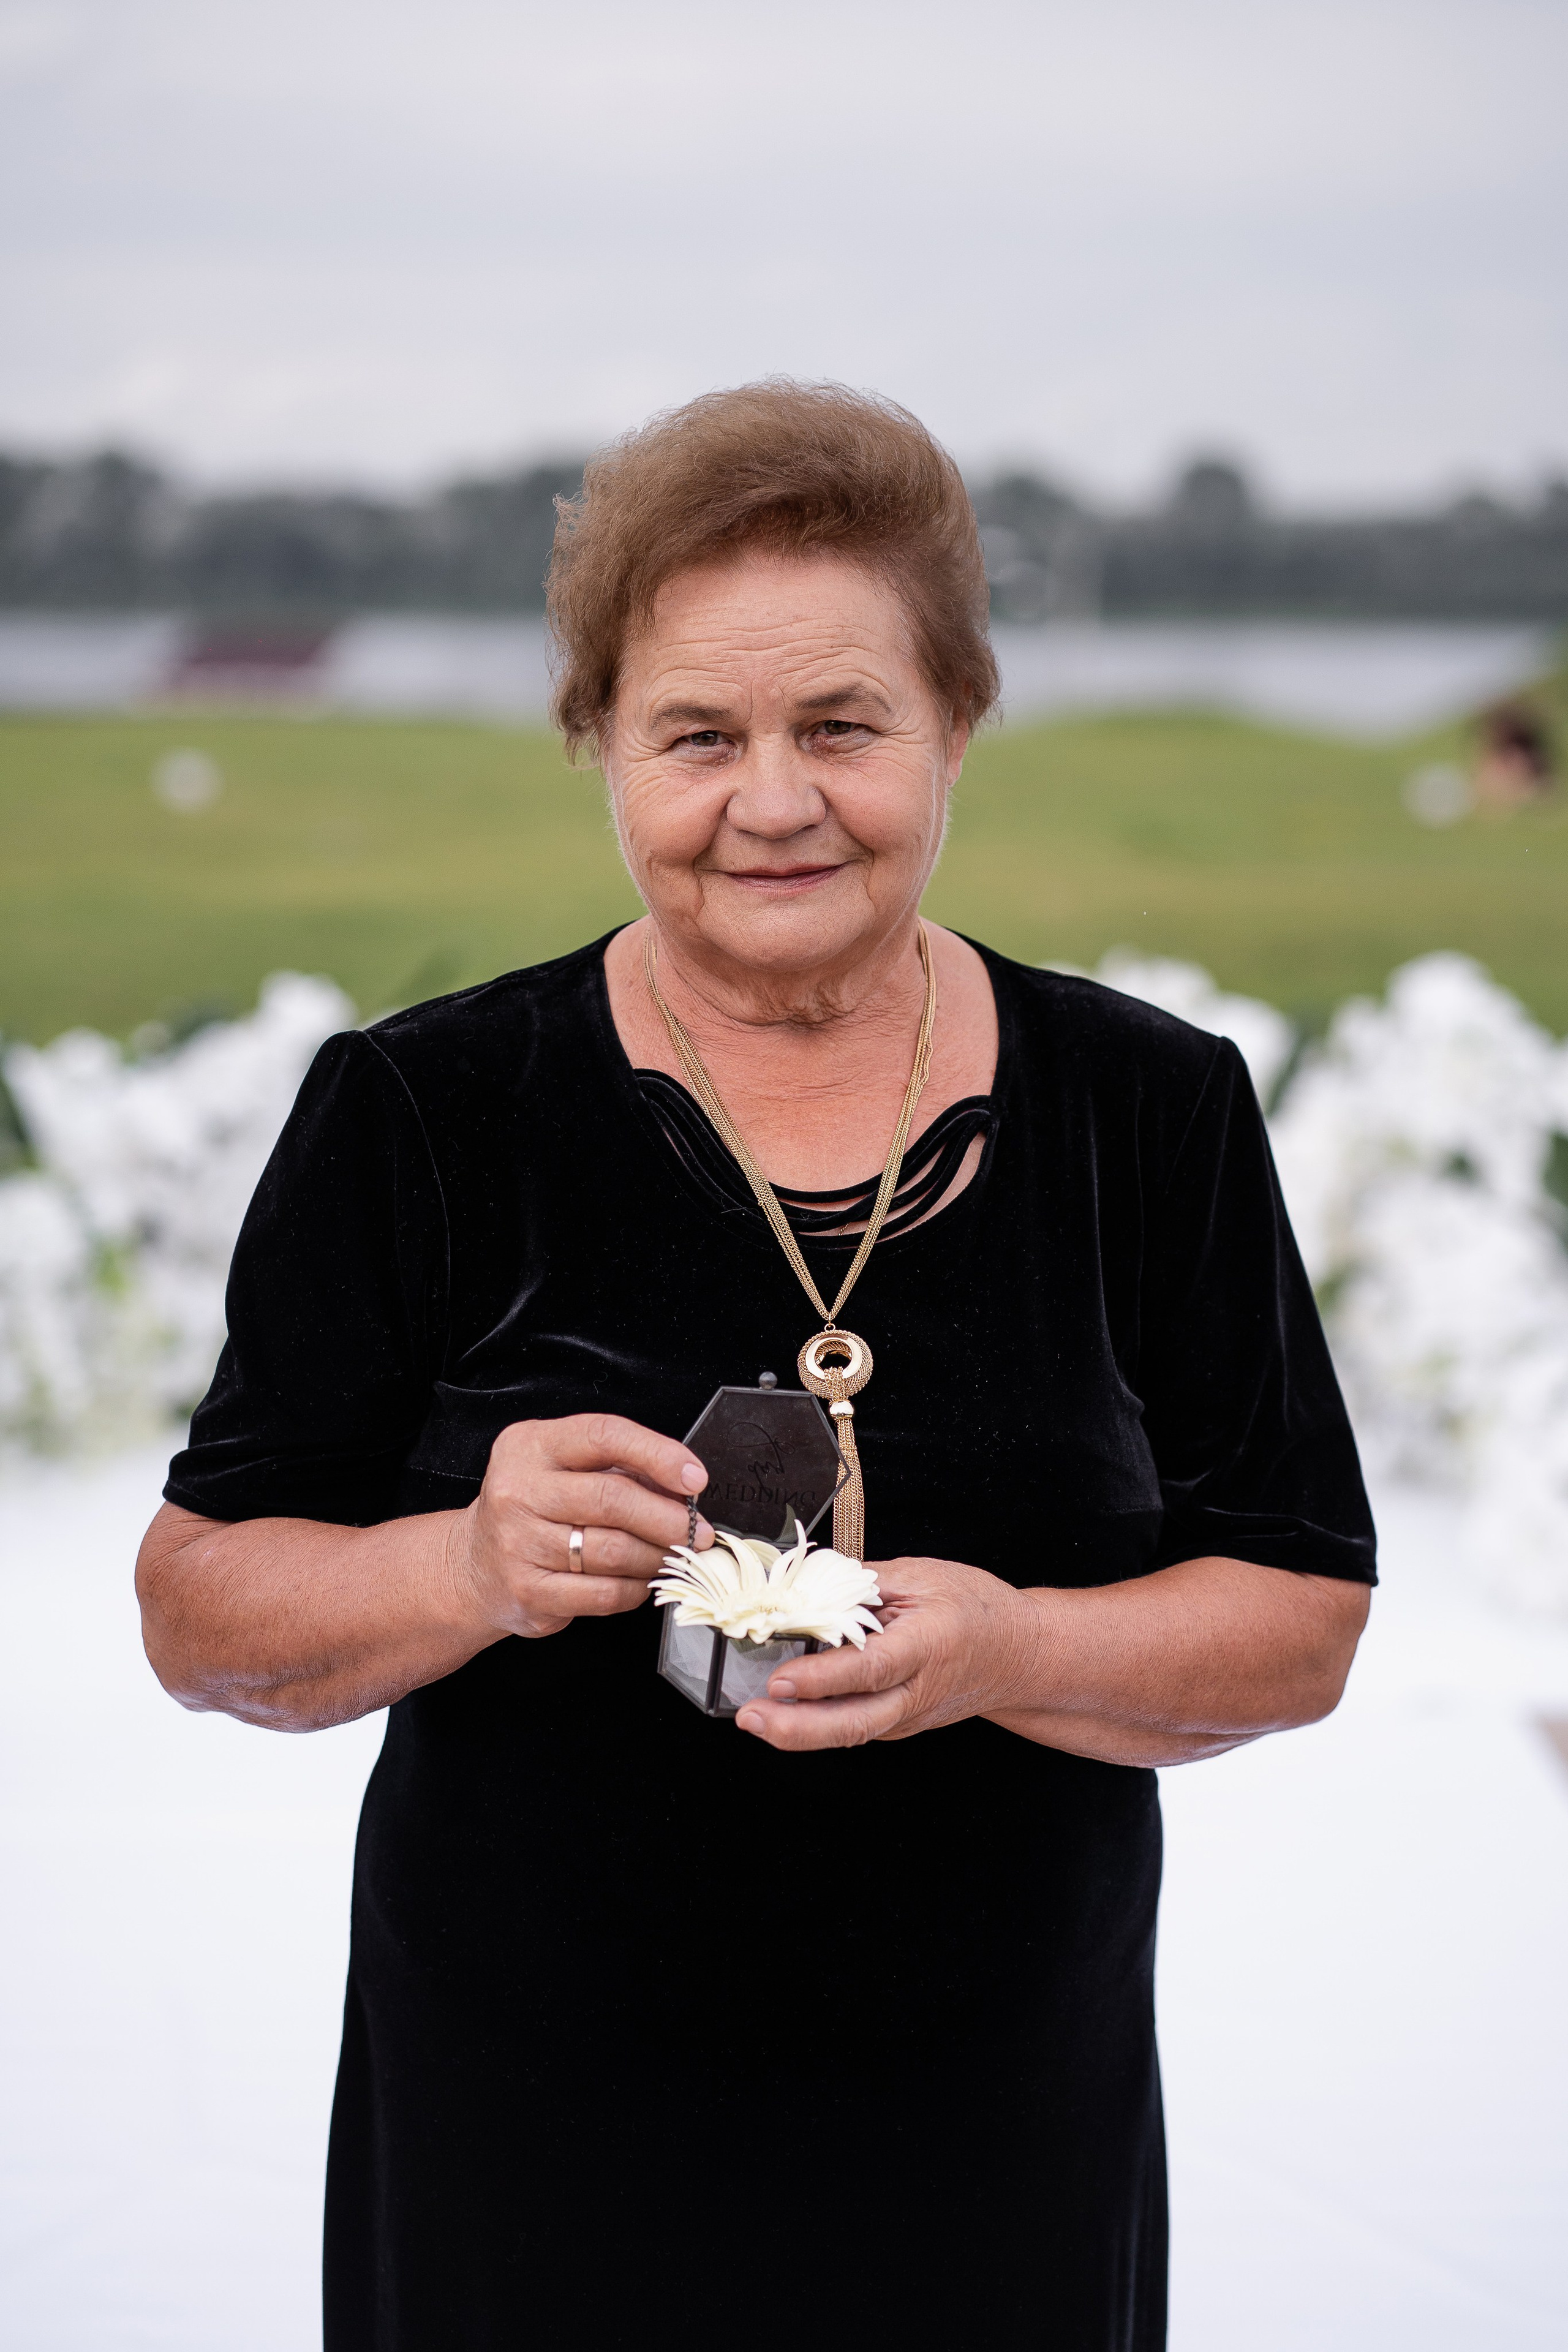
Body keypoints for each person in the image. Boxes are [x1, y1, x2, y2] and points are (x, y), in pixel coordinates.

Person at [135, 381, 1374, 2351]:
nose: (773, 800)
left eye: (844, 726)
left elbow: (1300, 1620)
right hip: (524, 2161)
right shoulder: (425, 1110)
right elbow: (201, 1615)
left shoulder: (1155, 1112)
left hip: (995, 2156)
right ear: (599, 746)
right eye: (695, 735)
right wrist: (456, 1565)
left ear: (959, 723)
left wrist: (1014, 1649)